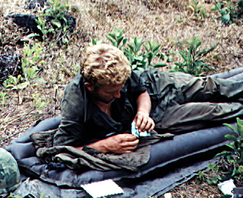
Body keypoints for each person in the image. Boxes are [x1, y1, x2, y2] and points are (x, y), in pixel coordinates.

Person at [53, 44, 243, 154]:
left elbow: (141, 91)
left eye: (120, 89)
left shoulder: (118, 75)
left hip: (160, 86)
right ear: (90, 87)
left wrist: (142, 112)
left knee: (211, 86)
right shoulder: (77, 104)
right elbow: (61, 150)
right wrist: (103, 146)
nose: (118, 95)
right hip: (162, 116)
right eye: (111, 93)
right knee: (214, 111)